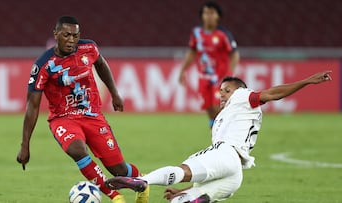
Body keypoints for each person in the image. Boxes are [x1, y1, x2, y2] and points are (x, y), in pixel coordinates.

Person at [105, 71, 332, 202]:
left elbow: (273, 93)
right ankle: (187, 195)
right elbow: (213, 168)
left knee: (184, 170)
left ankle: (143, 181)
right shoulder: (226, 118)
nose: (221, 94)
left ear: (239, 90)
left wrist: (307, 81)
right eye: (220, 91)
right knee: (182, 200)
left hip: (227, 153)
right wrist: (182, 191)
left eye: (226, 90)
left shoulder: (244, 96)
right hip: (235, 175)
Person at [16, 16, 149, 203]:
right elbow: (32, 106)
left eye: (75, 36)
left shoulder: (88, 48)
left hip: (92, 115)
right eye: (66, 35)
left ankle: (144, 182)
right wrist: (25, 145)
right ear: (56, 34)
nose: (71, 40)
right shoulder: (43, 65)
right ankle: (115, 197)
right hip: (63, 118)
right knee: (77, 149)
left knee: (118, 169)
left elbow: (101, 64)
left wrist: (114, 93)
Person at [179, 1, 240, 128]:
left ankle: (225, 135)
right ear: (202, 15)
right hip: (204, 78)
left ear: (218, 16)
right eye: (206, 13)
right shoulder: (196, 33)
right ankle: (216, 135)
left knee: (217, 107)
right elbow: (192, 52)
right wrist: (182, 71)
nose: (209, 16)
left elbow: (234, 55)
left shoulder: (223, 34)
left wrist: (230, 74)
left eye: (212, 13)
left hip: (220, 77)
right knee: (209, 109)